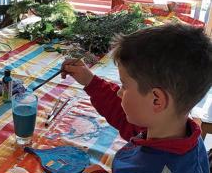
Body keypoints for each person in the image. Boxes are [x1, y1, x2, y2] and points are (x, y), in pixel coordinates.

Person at [61, 24, 212, 172]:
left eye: (124, 85)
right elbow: (122, 113)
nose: (120, 93)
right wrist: (90, 81)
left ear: (157, 100)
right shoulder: (171, 128)